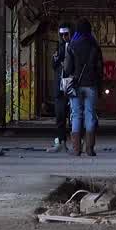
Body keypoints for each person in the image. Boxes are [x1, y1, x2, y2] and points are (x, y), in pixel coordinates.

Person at [62, 18, 103, 157]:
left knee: (76, 115)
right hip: (91, 85)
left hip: (76, 85)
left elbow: (67, 69)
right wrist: (99, 85)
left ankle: (76, 149)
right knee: (90, 114)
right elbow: (100, 69)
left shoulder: (72, 46)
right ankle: (89, 148)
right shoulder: (95, 46)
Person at [47, 23, 72, 153]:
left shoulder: (74, 48)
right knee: (60, 116)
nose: (63, 37)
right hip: (60, 88)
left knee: (74, 117)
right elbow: (53, 64)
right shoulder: (59, 49)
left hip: (72, 86)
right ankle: (61, 142)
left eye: (66, 34)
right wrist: (58, 56)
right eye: (61, 34)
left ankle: (77, 143)